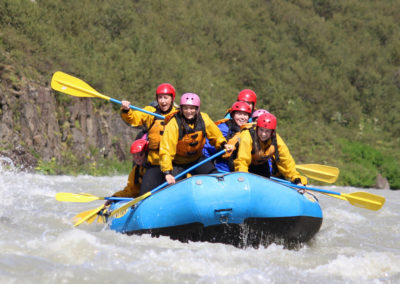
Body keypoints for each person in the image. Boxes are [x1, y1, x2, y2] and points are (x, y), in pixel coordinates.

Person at [159, 93, 234, 185]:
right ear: (181, 109)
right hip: (177, 163)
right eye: (186, 108)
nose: (189, 111)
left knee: (216, 178)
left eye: (192, 108)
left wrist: (223, 144)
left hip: (196, 160)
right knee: (173, 185)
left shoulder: (204, 118)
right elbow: (166, 150)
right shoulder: (174, 123)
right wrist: (167, 172)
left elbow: (216, 135)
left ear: (197, 109)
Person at [120, 83, 178, 194]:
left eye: (166, 98)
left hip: (174, 164)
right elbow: (134, 118)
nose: (163, 101)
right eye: (160, 98)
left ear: (172, 99)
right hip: (155, 164)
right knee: (144, 194)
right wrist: (127, 110)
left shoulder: (178, 115)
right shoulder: (150, 111)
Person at [234, 113, 307, 186]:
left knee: (263, 179)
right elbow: (242, 160)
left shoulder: (276, 140)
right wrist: (242, 176)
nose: (263, 134)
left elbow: (286, 161)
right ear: (257, 128)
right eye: (261, 130)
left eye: (267, 131)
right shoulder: (247, 136)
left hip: (260, 165)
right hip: (239, 164)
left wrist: (297, 179)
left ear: (272, 132)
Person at [203, 101, 252, 172]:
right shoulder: (223, 128)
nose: (242, 117)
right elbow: (207, 148)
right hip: (221, 170)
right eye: (239, 114)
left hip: (241, 170)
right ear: (232, 115)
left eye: (245, 115)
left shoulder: (250, 131)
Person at [105, 138, 149, 206]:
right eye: (134, 155)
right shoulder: (136, 170)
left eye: (140, 154)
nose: (137, 158)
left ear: (147, 153)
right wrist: (115, 197)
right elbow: (131, 191)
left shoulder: (157, 166)